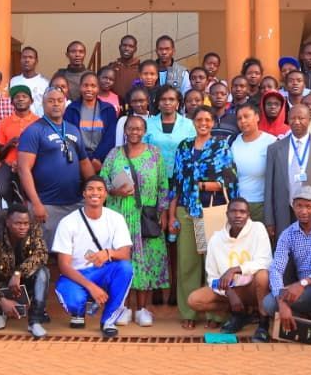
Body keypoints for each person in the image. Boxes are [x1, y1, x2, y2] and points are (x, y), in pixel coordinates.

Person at [170, 107, 239, 328]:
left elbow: (229, 181)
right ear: (193, 121)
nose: (203, 123)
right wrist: (172, 215)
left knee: (213, 263)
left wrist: (201, 185)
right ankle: (189, 312)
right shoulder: (183, 147)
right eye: (199, 119)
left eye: (207, 120)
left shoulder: (220, 146)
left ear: (213, 122)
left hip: (211, 211)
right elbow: (176, 183)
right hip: (186, 211)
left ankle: (215, 314)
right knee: (188, 263)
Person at [100, 115, 169, 327]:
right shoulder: (114, 154)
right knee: (123, 262)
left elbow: (163, 184)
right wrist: (114, 191)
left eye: (139, 128)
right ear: (125, 131)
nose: (134, 132)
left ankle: (142, 309)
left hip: (146, 217)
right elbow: (102, 181)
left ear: (144, 131)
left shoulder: (155, 154)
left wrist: (163, 212)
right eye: (131, 128)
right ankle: (123, 307)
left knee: (146, 262)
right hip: (120, 215)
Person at [254, 187, 311, 345]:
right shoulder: (288, 234)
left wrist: (303, 283)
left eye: (309, 207)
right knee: (269, 303)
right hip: (306, 293)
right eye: (299, 206)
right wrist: (281, 301)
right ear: (293, 206)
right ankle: (304, 319)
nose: (304, 211)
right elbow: (276, 269)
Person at [52, 177, 135, 339]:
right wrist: (92, 287)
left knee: (125, 268)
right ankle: (79, 311)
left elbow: (125, 253)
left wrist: (108, 253)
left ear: (105, 194)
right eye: (90, 189)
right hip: (76, 275)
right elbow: (63, 265)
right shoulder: (68, 222)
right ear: (84, 194)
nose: (95, 193)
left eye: (99, 189)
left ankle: (108, 321)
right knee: (75, 301)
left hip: (102, 272)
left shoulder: (116, 219)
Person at [18, 87, 95, 245]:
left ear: (65, 103)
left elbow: (84, 162)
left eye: (60, 101)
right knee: (46, 253)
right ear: (43, 104)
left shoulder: (73, 129)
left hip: (75, 203)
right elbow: (23, 169)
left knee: (75, 251)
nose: (56, 105)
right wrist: (36, 203)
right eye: (51, 101)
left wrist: (96, 186)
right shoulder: (33, 131)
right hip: (47, 205)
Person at [187, 198, 274, 332]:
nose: (238, 215)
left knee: (263, 275)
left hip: (252, 287)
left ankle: (263, 324)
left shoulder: (258, 229)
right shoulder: (216, 239)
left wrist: (235, 270)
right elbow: (212, 278)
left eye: (242, 212)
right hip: (230, 290)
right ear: (227, 214)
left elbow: (265, 261)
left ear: (248, 215)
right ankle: (240, 315)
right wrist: (229, 292)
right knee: (194, 300)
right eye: (233, 211)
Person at [0, 205, 52, 338]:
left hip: (25, 284)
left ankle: (34, 321)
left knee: (43, 273)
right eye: (18, 223)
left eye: (25, 223)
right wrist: (1, 300)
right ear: (8, 223)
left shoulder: (34, 231)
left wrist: (18, 273)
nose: (23, 227)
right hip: (2, 286)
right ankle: (2, 311)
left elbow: (42, 254)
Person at [263, 104, 311, 240]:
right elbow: (269, 187)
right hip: (283, 212)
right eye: (293, 118)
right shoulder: (274, 149)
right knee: (286, 254)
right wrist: (269, 220)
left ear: (310, 120)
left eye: (301, 118)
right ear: (287, 120)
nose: (297, 122)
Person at [230, 104, 276, 224]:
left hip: (261, 205)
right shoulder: (232, 141)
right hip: (236, 205)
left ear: (257, 117)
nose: (243, 121)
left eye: (246, 116)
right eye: (239, 118)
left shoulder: (271, 142)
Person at [65, 71, 118, 172]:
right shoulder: (71, 109)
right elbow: (69, 136)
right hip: (78, 162)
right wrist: (84, 159)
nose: (89, 89)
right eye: (85, 85)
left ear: (98, 88)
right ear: (80, 87)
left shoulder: (108, 109)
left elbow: (110, 137)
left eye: (93, 86)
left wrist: (96, 158)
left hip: (100, 162)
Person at [145, 84, 195, 171]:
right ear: (158, 104)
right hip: (154, 174)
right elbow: (141, 151)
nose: (167, 102)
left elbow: (193, 151)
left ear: (177, 104)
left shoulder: (189, 125)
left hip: (181, 174)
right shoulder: (148, 124)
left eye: (171, 99)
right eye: (163, 99)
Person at [0, 84, 39, 166]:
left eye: (24, 96)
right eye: (17, 97)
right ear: (12, 102)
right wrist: (9, 144)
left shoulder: (39, 122)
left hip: (33, 168)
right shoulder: (4, 123)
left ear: (31, 101)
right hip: (9, 168)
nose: (20, 99)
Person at [9, 46, 50, 116]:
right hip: (18, 122)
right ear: (20, 60)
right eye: (24, 57)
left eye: (30, 57)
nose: (27, 60)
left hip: (39, 123)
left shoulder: (45, 83)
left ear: (36, 61)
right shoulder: (14, 81)